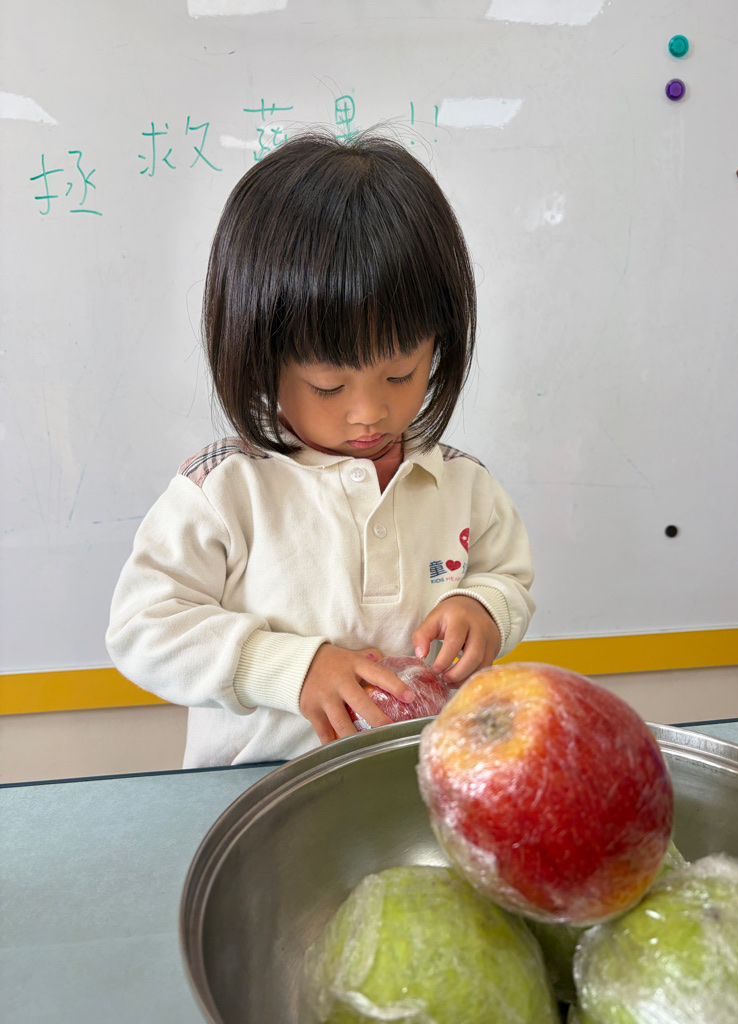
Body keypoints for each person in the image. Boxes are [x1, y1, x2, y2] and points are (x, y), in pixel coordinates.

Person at [106, 129, 535, 768]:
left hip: (423, 781)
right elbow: (143, 629)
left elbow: (507, 576)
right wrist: (292, 667)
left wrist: (484, 607)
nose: (369, 412)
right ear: (260, 357)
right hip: (258, 792)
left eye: (402, 374)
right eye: (328, 386)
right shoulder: (226, 490)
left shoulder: (461, 483)